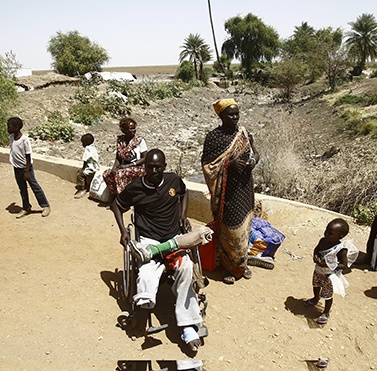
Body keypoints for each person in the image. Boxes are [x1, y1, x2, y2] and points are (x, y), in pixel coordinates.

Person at [110, 149, 203, 352]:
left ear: (164, 167)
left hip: (173, 240)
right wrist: (122, 231)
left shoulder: (173, 181)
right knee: (145, 273)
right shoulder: (135, 188)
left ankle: (187, 326)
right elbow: (116, 205)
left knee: (186, 268)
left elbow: (184, 192)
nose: (153, 170)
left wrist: (183, 214)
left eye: (157, 167)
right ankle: (145, 304)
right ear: (144, 168)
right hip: (149, 241)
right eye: (150, 167)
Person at [201, 99, 260, 285]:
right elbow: (208, 166)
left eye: (236, 113)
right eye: (230, 114)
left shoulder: (244, 133)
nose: (235, 117)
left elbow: (256, 153)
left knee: (245, 227)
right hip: (227, 192)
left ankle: (241, 264)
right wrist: (229, 165)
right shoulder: (214, 138)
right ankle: (228, 267)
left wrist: (253, 161)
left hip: (244, 188)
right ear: (221, 116)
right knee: (229, 229)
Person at [305, 218, 351, 325]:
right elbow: (317, 249)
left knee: (327, 295)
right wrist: (315, 256)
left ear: (340, 236)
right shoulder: (323, 241)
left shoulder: (340, 249)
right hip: (318, 271)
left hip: (329, 276)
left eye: (330, 233)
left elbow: (344, 265)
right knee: (316, 286)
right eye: (326, 230)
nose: (326, 234)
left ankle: (326, 312)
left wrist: (330, 265)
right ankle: (315, 298)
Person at [7, 117, 51, 219]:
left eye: (9, 127)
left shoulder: (24, 140)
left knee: (35, 187)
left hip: (26, 169)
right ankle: (26, 207)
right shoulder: (12, 137)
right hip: (17, 168)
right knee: (22, 188)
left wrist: (27, 171)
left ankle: (45, 205)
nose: (7, 129)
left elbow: (28, 156)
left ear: (16, 127)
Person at [103, 117, 147, 196]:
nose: (133, 130)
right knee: (107, 174)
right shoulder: (121, 141)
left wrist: (130, 165)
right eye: (131, 129)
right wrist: (114, 168)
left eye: (134, 128)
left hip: (137, 167)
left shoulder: (139, 140)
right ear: (124, 130)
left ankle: (122, 201)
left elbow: (145, 158)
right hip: (124, 166)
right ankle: (115, 195)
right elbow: (119, 157)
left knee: (121, 174)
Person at [74, 133, 100, 199]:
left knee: (80, 175)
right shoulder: (93, 147)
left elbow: (85, 160)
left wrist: (83, 169)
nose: (82, 144)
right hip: (95, 167)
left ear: (86, 143)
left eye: (83, 143)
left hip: (90, 168)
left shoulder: (87, 149)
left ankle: (82, 189)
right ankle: (87, 186)